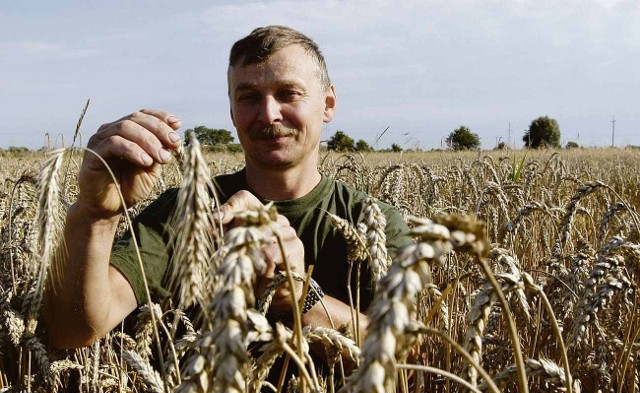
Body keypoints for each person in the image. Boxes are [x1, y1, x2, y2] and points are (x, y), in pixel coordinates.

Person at [44, 25, 411, 350]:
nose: (268, 115)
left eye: (288, 93)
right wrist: (96, 214)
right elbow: (73, 331)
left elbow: (406, 355)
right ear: (232, 112)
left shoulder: (373, 221)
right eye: (249, 97)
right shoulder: (187, 209)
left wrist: (298, 296)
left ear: (327, 104)